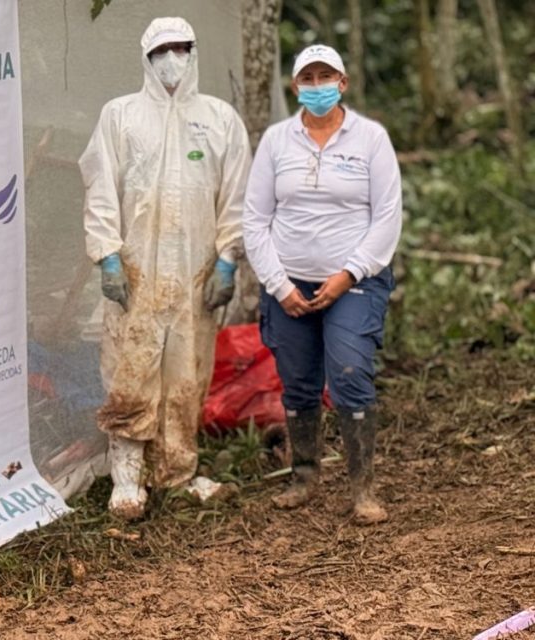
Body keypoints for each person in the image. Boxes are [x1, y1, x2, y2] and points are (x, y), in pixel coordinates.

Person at [80, 17, 252, 520]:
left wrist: (227, 259)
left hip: (197, 277)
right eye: (162, 51)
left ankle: (177, 470)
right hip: (136, 274)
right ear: (146, 57)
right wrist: (107, 253)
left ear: (193, 52)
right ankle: (127, 479)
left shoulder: (220, 119)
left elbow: (236, 197)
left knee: (187, 375)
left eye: (181, 48)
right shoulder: (121, 116)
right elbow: (100, 188)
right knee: (129, 372)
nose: (172, 59)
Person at [243, 44, 402, 525]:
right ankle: (304, 476)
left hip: (353, 280)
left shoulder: (371, 139)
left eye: (326, 77)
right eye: (308, 79)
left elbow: (388, 217)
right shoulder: (276, 141)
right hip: (288, 282)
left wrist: (348, 273)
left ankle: (363, 488)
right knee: (298, 380)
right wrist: (278, 284)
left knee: (351, 373)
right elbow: (255, 219)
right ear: (296, 87)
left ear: (343, 83)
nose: (317, 86)